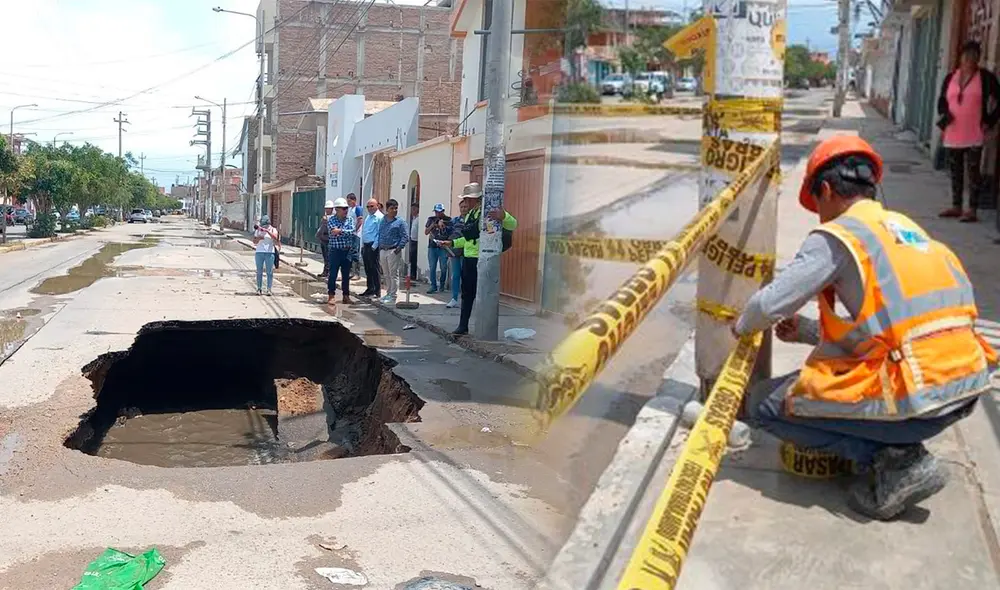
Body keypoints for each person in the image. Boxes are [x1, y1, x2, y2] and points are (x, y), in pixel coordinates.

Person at [732, 135, 997, 521]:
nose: (819, 215)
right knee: (829, 386)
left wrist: (737, 328)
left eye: (817, 204)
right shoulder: (907, 229)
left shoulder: (840, 235)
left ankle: (899, 461)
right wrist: (807, 331)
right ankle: (896, 447)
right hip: (965, 388)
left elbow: (767, 305)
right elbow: (895, 328)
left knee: (764, 403)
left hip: (919, 401)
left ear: (825, 190)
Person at [437, 182, 517, 335]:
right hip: (469, 258)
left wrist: (504, 216)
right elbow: (468, 239)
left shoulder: (489, 211)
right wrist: (452, 242)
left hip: (483, 258)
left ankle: (484, 328)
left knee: (484, 294)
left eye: (467, 199)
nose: (465, 202)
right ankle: (463, 326)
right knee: (467, 293)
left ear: (475, 199)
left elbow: (513, 224)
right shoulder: (471, 214)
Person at [936, 40, 1000, 223]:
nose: (969, 59)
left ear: (978, 58)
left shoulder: (985, 78)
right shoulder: (951, 77)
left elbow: (998, 100)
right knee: (955, 171)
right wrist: (944, 116)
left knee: (973, 172)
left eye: (974, 55)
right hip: (953, 131)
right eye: (967, 55)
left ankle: (972, 209)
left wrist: (990, 120)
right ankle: (956, 206)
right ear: (961, 57)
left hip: (974, 133)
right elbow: (942, 100)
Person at [376, 199, 409, 304]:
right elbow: (380, 233)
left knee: (393, 274)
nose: (394, 210)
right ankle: (388, 292)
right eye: (392, 208)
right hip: (383, 250)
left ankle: (393, 295)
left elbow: (405, 236)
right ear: (387, 209)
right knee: (386, 274)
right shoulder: (383, 220)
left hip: (393, 250)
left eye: (396, 208)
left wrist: (398, 249)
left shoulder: (400, 222)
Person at [326, 198, 355, 305]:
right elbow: (333, 232)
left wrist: (340, 231)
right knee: (333, 274)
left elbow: (352, 232)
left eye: (346, 208)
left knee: (346, 275)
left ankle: (346, 296)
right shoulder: (332, 220)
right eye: (343, 209)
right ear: (337, 210)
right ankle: (331, 295)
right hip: (335, 251)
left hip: (347, 251)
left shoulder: (350, 219)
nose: (346, 211)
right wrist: (343, 232)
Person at [444, 198, 470, 309]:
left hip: (467, 251)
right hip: (455, 251)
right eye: (462, 207)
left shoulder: (471, 219)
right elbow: (447, 227)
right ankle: (454, 298)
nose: (463, 209)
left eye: (465, 207)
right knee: (455, 275)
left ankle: (466, 299)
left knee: (466, 276)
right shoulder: (455, 220)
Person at [424, 203, 452, 294]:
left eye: (439, 212)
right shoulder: (431, 219)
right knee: (432, 267)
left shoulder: (448, 220)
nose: (437, 214)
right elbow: (426, 232)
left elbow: (450, 233)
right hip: (432, 246)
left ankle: (442, 285)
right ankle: (433, 286)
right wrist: (433, 225)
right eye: (436, 212)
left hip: (443, 246)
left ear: (443, 211)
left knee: (444, 267)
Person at [360, 198, 383, 298]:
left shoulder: (379, 217)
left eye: (372, 206)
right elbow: (364, 231)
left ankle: (377, 291)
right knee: (367, 268)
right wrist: (362, 245)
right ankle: (370, 288)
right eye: (368, 206)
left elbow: (380, 233)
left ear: (377, 205)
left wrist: (374, 246)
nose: (370, 208)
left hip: (373, 245)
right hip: (366, 245)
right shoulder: (368, 217)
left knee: (375, 268)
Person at [252, 215, 279, 296]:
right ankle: (259, 288)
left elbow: (275, 238)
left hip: (270, 252)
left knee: (269, 272)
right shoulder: (258, 230)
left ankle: (269, 289)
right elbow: (254, 241)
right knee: (259, 271)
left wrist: (267, 231)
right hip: (259, 252)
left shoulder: (273, 229)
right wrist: (259, 238)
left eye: (264, 225)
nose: (263, 226)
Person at [346, 193, 364, 279]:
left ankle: (357, 273)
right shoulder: (350, 209)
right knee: (349, 252)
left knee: (355, 252)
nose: (348, 202)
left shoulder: (358, 208)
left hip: (356, 234)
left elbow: (360, 221)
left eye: (349, 201)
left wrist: (355, 230)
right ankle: (350, 272)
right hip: (350, 233)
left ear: (354, 200)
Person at [316, 200, 334, 278]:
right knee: (325, 256)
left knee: (329, 256)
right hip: (323, 238)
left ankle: (329, 272)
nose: (327, 210)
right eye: (326, 208)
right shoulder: (324, 217)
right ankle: (325, 271)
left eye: (329, 208)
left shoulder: (333, 218)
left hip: (329, 239)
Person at [408, 202, 420, 281]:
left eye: (414, 209)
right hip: (412, 240)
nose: (413, 211)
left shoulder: (419, 218)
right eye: (412, 209)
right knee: (411, 258)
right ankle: (411, 274)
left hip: (416, 241)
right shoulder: (413, 218)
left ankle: (414, 274)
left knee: (414, 258)